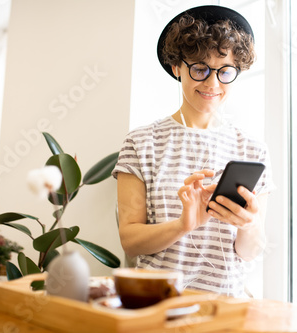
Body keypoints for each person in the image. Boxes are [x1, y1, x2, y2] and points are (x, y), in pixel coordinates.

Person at [112, 5, 273, 297]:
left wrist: (249, 224)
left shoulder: (253, 150)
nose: (212, 83)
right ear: (177, 67)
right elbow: (131, 240)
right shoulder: (140, 142)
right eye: (200, 69)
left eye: (225, 71)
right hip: (157, 304)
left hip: (227, 308)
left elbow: (249, 253)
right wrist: (183, 225)